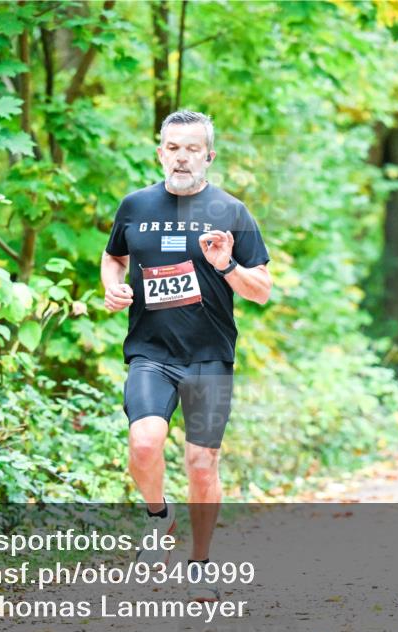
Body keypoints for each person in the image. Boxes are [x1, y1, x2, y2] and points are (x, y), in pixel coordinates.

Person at [101, 110, 272, 601]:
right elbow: (114, 257)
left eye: (192, 148)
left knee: (202, 463)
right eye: (172, 147)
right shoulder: (134, 206)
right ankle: (159, 515)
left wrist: (227, 265)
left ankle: (199, 562)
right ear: (160, 153)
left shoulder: (231, 212)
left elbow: (261, 289)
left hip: (209, 356)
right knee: (144, 443)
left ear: (209, 156)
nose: (181, 157)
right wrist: (114, 288)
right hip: (151, 352)